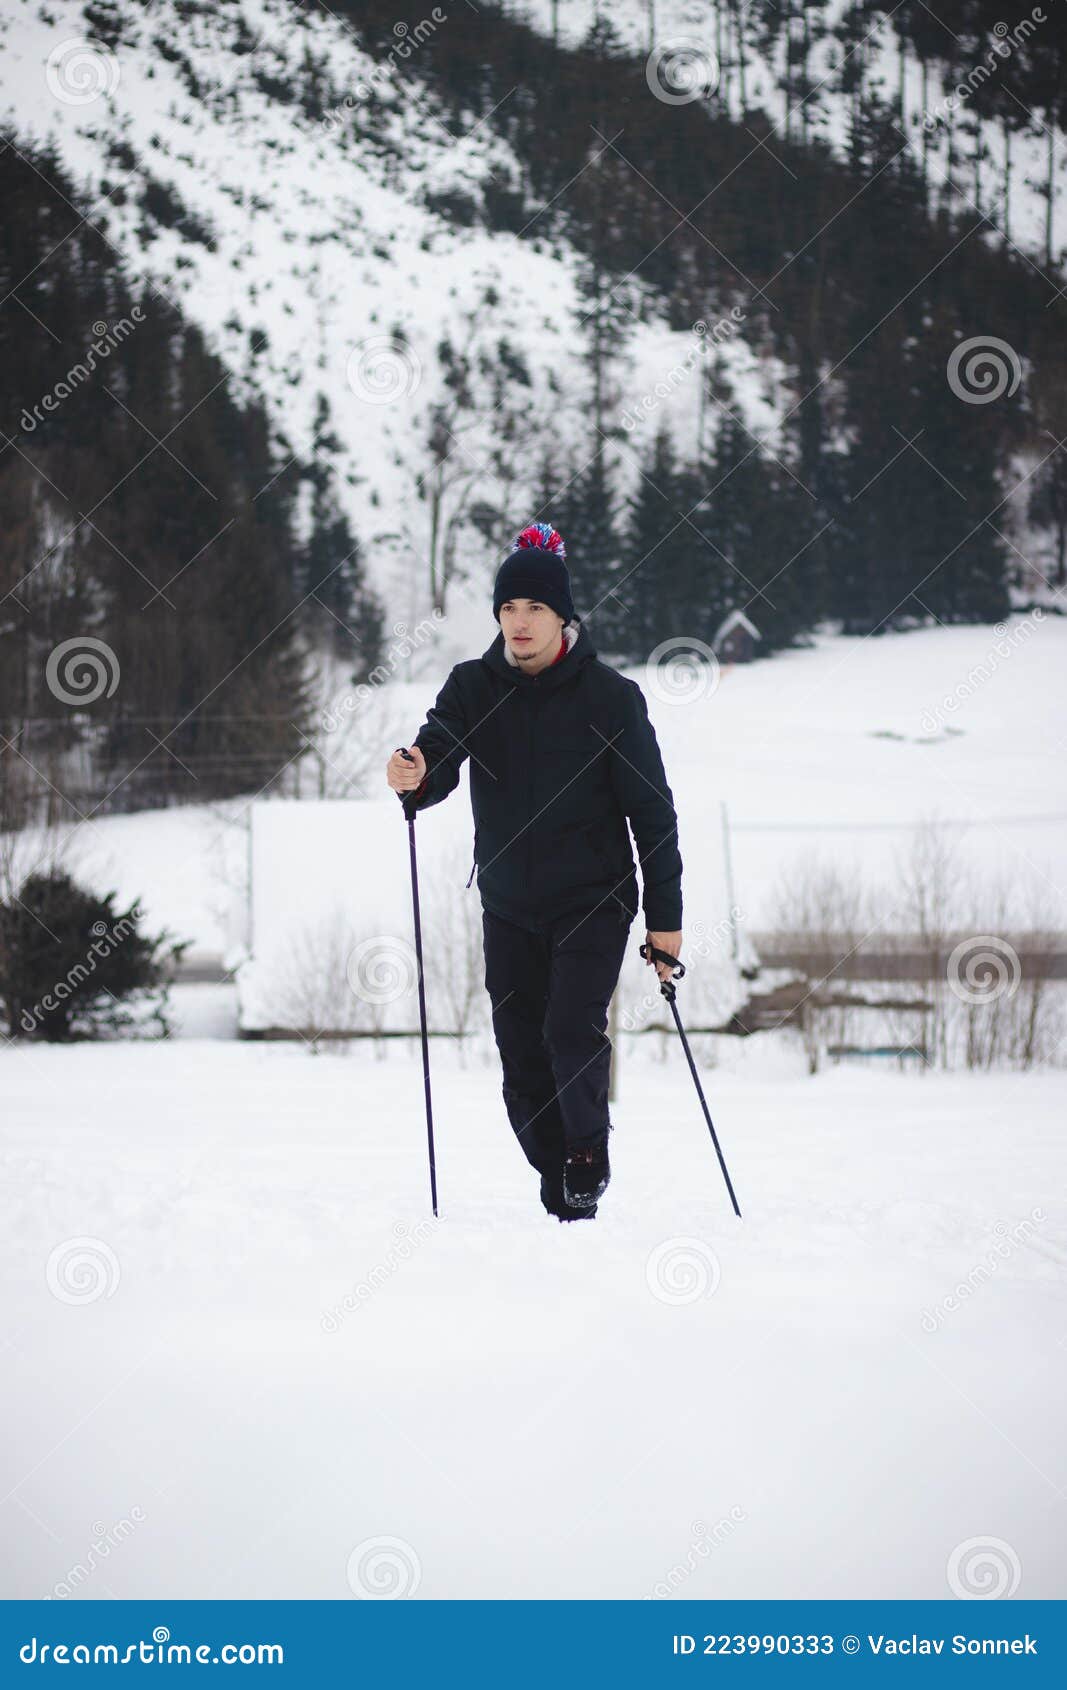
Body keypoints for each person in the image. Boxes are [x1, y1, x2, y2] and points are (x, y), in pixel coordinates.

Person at [386, 523, 683, 1223]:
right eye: (507, 610)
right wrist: (414, 774)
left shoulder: (611, 699)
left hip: (593, 900)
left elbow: (654, 815)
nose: (519, 624)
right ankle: (558, 1176)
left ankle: (585, 1157)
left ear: (562, 618)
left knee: (568, 1033)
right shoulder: (472, 686)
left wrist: (663, 925)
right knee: (519, 1059)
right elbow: (437, 755)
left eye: (535, 610)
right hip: (509, 904)